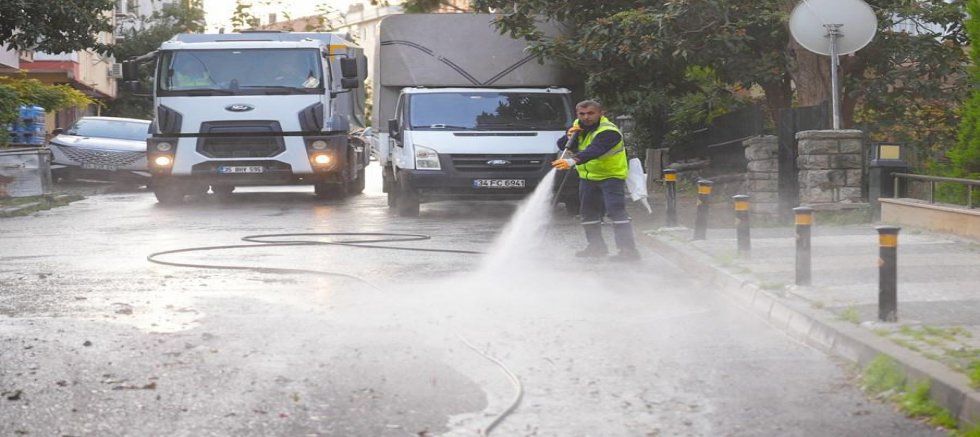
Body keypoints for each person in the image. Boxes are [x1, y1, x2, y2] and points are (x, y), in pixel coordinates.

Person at [552, 100, 641, 261]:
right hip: (588, 177)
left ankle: (628, 251)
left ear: (601, 113)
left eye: (591, 113)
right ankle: (596, 247)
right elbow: (561, 145)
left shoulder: (609, 131)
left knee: (615, 211)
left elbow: (595, 150)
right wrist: (568, 136)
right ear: (577, 114)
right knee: (588, 213)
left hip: (611, 176)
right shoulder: (578, 126)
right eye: (582, 114)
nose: (586, 117)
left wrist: (572, 161)